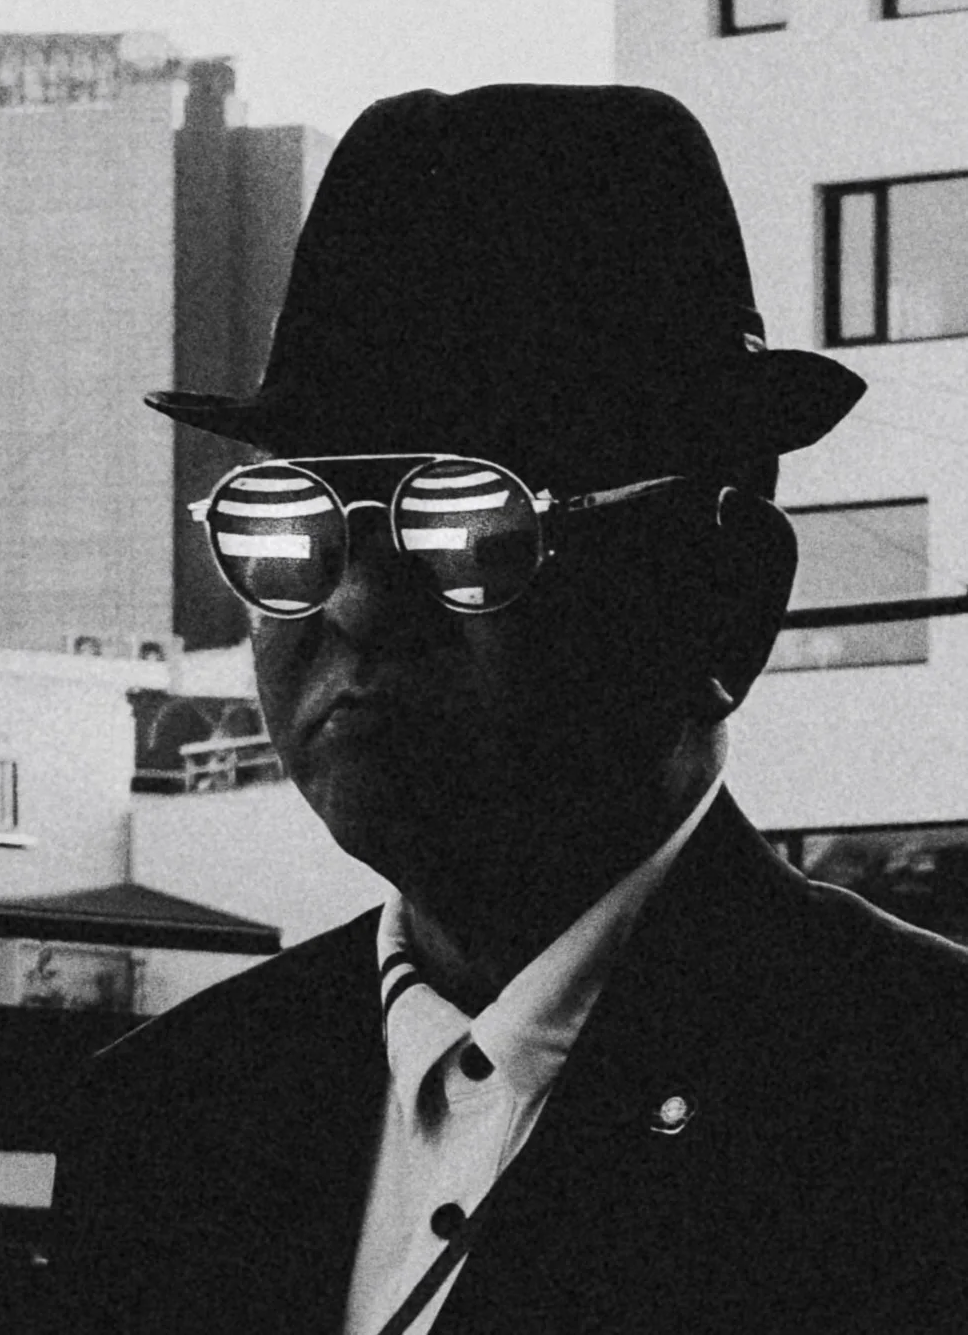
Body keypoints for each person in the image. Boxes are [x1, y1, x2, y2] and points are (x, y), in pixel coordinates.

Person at [49, 85, 968, 1333]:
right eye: (285, 528)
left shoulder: (916, 1103)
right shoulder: (167, 1122)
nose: (359, 604)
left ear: (722, 600)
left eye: (467, 523)